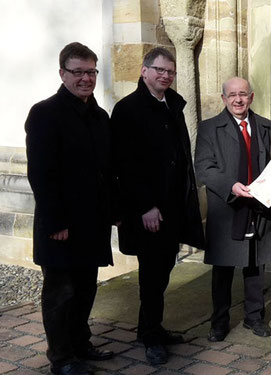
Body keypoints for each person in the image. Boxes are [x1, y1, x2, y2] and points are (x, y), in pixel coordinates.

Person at [110, 47, 205, 365]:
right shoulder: (128, 109)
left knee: (163, 270)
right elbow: (126, 164)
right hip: (149, 211)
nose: (165, 75)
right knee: (151, 274)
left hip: (173, 207)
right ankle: (150, 336)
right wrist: (145, 206)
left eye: (170, 71)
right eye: (159, 70)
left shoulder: (173, 105)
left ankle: (150, 327)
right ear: (144, 71)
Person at [25, 42, 115, 375]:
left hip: (92, 223)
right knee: (60, 294)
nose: (86, 79)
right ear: (62, 73)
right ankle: (61, 359)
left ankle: (80, 343)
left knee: (86, 288)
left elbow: (106, 169)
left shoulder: (99, 115)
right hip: (60, 225)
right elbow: (41, 173)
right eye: (78, 72)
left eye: (91, 71)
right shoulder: (45, 113)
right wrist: (55, 221)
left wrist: (113, 210)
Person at [194, 77, 271, 342]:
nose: (238, 100)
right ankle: (219, 322)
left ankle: (254, 317)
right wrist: (231, 186)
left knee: (256, 265)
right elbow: (204, 167)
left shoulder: (267, 126)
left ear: (251, 97)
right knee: (223, 269)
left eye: (243, 94)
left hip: (259, 206)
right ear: (223, 99)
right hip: (227, 207)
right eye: (232, 95)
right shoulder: (210, 128)